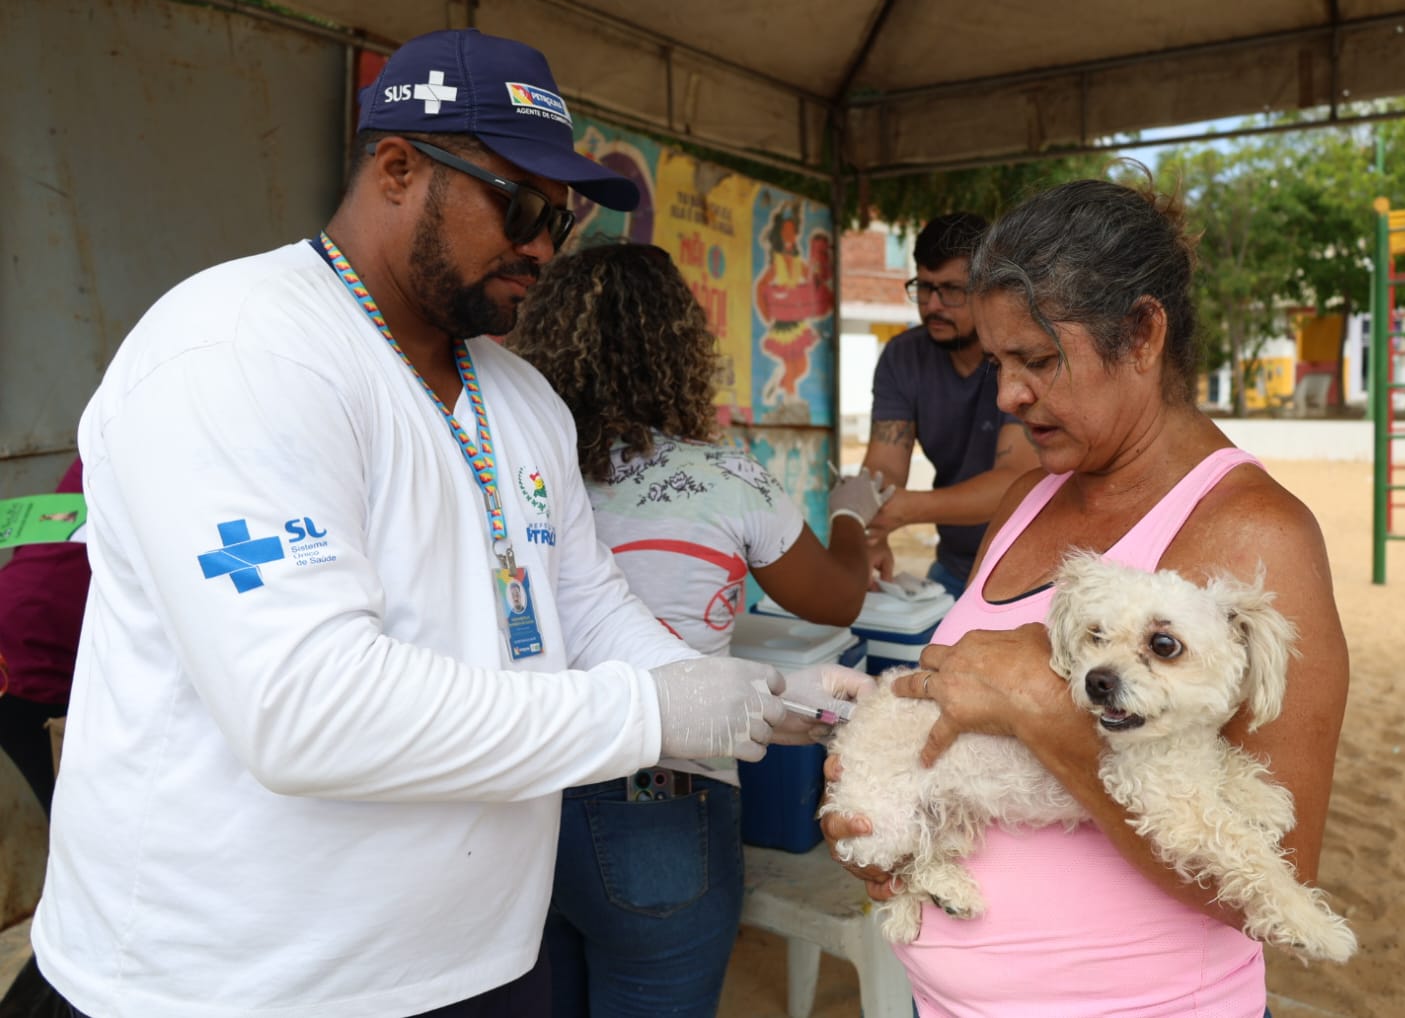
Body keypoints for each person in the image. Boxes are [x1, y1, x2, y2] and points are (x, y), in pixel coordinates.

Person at [28, 29, 821, 1018]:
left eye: (561, 222)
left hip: (481, 963)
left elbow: (585, 606)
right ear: (397, 168)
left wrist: (731, 692)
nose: (541, 246)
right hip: (229, 985)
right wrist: (651, 715)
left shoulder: (524, 397)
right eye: (521, 206)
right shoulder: (238, 349)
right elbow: (304, 708)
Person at [822, 177, 1350, 1016]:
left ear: (1141, 333)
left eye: (1036, 360)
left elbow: (1276, 877)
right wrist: (877, 821)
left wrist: (1045, 709)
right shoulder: (1027, 497)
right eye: (998, 364)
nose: (1007, 395)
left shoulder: (1255, 534)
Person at [504, 243, 882, 1017]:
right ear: (680, 346)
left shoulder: (516, 476)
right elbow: (837, 599)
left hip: (520, 796)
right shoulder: (726, 477)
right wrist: (850, 510)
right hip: (663, 804)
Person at [861, 212, 1039, 597]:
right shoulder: (902, 357)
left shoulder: (1019, 354)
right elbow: (882, 468)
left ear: (989, 290)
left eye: (951, 290)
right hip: (954, 567)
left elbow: (1015, 481)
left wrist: (907, 510)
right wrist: (873, 529)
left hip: (1032, 570)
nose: (933, 305)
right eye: (924, 288)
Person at [0, 458, 89, 1018]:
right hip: (36, 669)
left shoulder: (111, 428)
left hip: (20, 643)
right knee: (88, 864)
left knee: (83, 857)